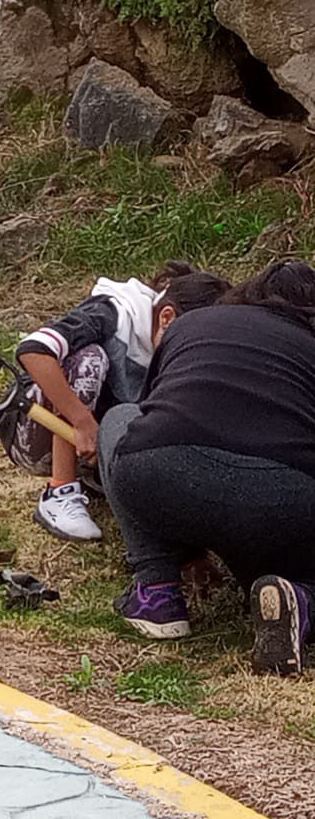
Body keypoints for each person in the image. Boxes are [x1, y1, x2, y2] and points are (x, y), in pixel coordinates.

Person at [101, 262, 315, 672]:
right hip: (282, 496)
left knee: (122, 418)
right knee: (293, 564)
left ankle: (157, 588)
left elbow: (152, 413)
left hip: (161, 471)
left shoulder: (193, 323)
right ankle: (298, 598)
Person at [13, 261, 227, 542]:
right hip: (36, 426)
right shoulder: (112, 312)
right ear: (167, 317)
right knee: (89, 359)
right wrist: (82, 422)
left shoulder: (172, 353)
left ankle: (101, 478)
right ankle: (59, 491)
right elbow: (33, 350)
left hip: (99, 443)